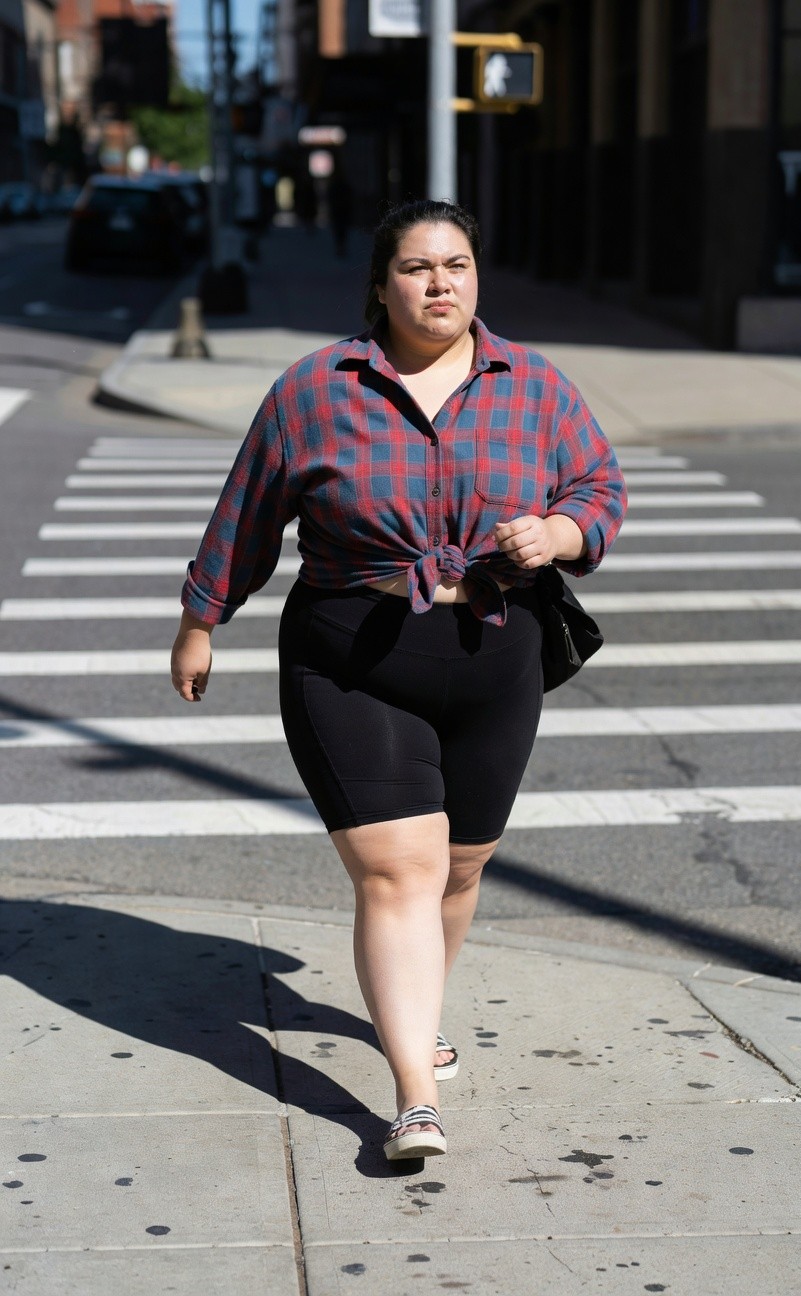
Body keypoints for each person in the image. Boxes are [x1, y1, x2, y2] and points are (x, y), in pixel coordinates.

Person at [170, 199, 627, 1162]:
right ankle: (413, 1093)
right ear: (380, 286)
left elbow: (599, 488)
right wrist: (201, 620)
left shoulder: (534, 384)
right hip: (354, 652)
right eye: (417, 268)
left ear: (477, 278)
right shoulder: (315, 389)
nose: (439, 284)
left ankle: (415, 1009)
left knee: (458, 868)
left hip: (495, 654)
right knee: (398, 870)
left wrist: (558, 532)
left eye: (457, 265)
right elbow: (248, 511)